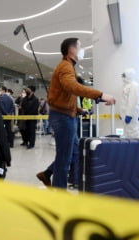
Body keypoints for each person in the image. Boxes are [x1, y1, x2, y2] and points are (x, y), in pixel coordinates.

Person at [38, 37, 115, 189]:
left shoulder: (68, 66)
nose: (82, 49)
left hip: (67, 116)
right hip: (63, 118)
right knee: (65, 157)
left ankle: (46, 174)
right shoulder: (66, 67)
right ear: (72, 50)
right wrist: (100, 94)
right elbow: (73, 87)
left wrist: (79, 109)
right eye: (80, 46)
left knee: (73, 152)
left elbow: (67, 95)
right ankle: (59, 191)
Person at [120, 68, 139, 138]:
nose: (123, 77)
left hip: (132, 115)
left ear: (129, 75)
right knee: (126, 132)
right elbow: (124, 101)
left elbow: (133, 102)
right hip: (125, 114)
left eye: (124, 75)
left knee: (133, 133)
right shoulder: (126, 86)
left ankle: (135, 148)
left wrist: (129, 115)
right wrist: (121, 113)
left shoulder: (134, 86)